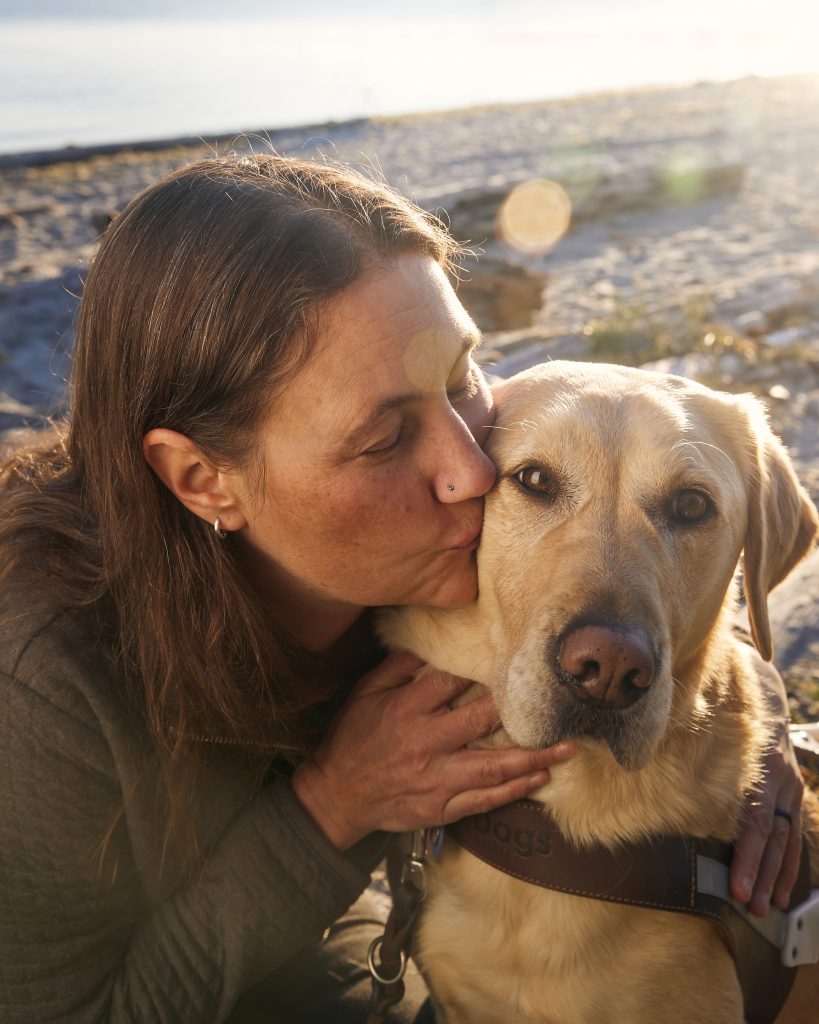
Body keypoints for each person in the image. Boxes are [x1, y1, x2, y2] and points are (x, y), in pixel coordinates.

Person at [0, 154, 803, 1023]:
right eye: (385, 437)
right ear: (203, 478)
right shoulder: (42, 686)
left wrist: (750, 729)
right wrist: (331, 809)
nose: (470, 469)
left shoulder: (429, 557)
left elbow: (647, 574)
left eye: (460, 377)